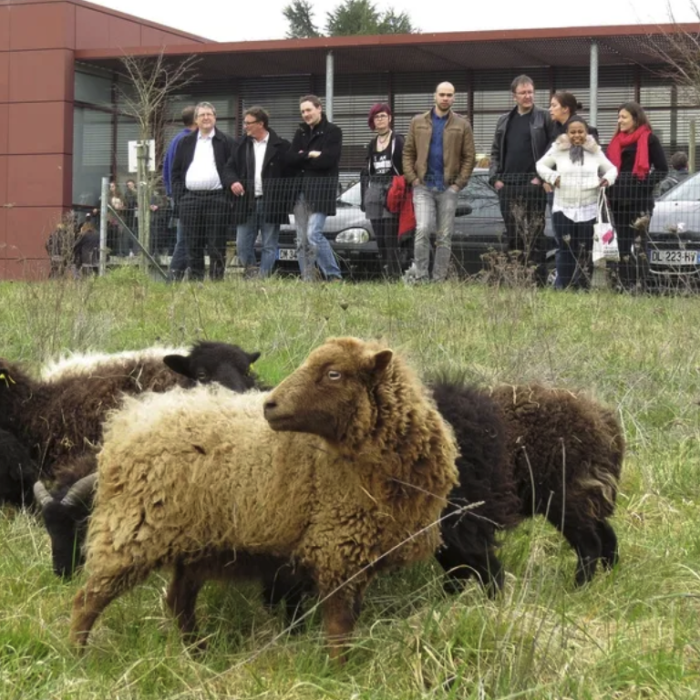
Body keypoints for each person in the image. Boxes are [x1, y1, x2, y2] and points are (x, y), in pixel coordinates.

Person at [402, 81, 475, 283]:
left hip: (448, 188)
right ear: (435, 96)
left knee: (444, 236)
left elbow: (469, 157)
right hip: (423, 186)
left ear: (454, 98)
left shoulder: (462, 124)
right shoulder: (418, 122)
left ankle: (439, 280)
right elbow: (408, 152)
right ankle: (421, 277)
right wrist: (413, 180)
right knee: (423, 229)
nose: (445, 98)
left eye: (449, 95)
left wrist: (458, 185)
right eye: (442, 94)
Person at [537, 117, 618, 289]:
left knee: (585, 248)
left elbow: (612, 169)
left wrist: (606, 180)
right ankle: (564, 286)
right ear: (567, 133)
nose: (577, 135)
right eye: (572, 132)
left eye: (580, 131)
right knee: (565, 249)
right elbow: (540, 165)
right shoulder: (557, 149)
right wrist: (552, 177)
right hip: (563, 207)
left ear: (586, 132)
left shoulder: (595, 151)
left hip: (589, 208)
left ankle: (583, 285)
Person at [489, 75, 555, 284]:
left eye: (530, 92)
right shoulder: (504, 120)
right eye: (523, 93)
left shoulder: (544, 117)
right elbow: (495, 151)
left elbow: (553, 149)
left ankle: (537, 280)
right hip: (507, 185)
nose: (528, 96)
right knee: (513, 235)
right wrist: (495, 179)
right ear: (514, 96)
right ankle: (516, 280)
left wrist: (539, 177)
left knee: (535, 233)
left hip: (533, 185)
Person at [605, 102, 668, 289]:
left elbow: (662, 169)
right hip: (618, 201)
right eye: (618, 117)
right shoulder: (616, 141)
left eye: (623, 117)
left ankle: (642, 284)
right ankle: (625, 284)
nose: (620, 121)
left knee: (640, 244)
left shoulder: (649, 139)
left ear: (635, 118)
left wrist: (643, 186)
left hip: (639, 201)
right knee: (623, 245)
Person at [171, 101, 235, 281]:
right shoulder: (185, 142)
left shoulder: (226, 141)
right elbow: (175, 172)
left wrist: (227, 198)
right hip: (190, 199)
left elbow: (234, 171)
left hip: (217, 199)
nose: (206, 118)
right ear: (196, 120)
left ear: (215, 118)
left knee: (216, 245)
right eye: (202, 115)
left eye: (209, 114)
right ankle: (195, 283)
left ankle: (216, 282)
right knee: (193, 244)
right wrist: (180, 197)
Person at [223, 106, 290, 278]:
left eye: (248, 123)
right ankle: (252, 274)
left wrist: (285, 197)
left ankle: (263, 278)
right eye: (244, 123)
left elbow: (290, 174)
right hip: (246, 202)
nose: (245, 126)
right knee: (242, 244)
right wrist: (233, 182)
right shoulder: (240, 145)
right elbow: (228, 169)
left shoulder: (281, 146)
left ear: (261, 124)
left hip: (272, 202)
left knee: (269, 244)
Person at [286, 95, 343, 282]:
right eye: (302, 111)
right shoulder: (300, 133)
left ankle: (334, 276)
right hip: (300, 192)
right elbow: (291, 160)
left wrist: (303, 158)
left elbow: (328, 160)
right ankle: (308, 279)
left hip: (321, 191)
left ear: (319, 108)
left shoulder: (333, 132)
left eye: (309, 110)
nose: (305, 114)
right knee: (301, 240)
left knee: (313, 234)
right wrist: (309, 155)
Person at [361, 103, 405, 279]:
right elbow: (367, 171)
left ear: (389, 118)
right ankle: (385, 273)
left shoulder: (398, 140)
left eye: (383, 116)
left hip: (392, 188)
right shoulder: (372, 144)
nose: (380, 119)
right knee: (379, 237)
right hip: (374, 190)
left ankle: (395, 274)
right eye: (376, 117)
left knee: (390, 236)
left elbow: (404, 166)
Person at [163, 106, 197, 280]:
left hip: (176, 195)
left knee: (185, 238)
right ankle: (174, 277)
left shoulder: (176, 139)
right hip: (185, 196)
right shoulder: (187, 140)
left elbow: (166, 169)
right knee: (185, 238)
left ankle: (180, 276)